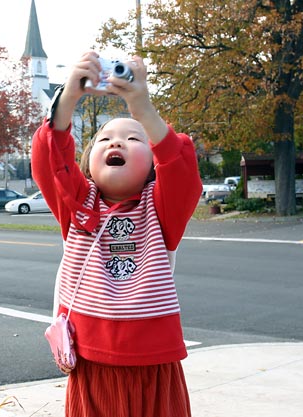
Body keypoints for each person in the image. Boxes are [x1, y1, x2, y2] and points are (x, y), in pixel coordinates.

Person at [31, 51, 202, 417]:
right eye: (104, 138)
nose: (116, 142)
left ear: (153, 163)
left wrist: (142, 107)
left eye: (134, 138)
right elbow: (50, 162)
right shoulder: (78, 206)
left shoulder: (160, 210)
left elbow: (181, 170)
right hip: (92, 364)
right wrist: (69, 98)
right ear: (89, 162)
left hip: (155, 366)